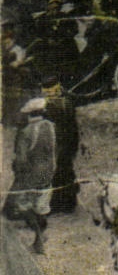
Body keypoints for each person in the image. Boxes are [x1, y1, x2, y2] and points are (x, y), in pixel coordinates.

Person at [8, 97, 54, 253]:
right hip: (47, 173)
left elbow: (21, 159)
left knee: (23, 206)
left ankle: (38, 235)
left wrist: (18, 172)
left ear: (29, 114)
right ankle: (40, 238)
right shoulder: (50, 127)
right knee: (42, 207)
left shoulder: (26, 132)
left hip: (30, 175)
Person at [41, 76, 79, 214]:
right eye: (46, 93)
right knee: (64, 171)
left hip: (63, 142)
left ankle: (62, 205)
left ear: (56, 90)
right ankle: (68, 202)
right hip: (64, 142)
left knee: (60, 172)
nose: (48, 96)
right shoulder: (65, 100)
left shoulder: (60, 104)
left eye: (50, 93)